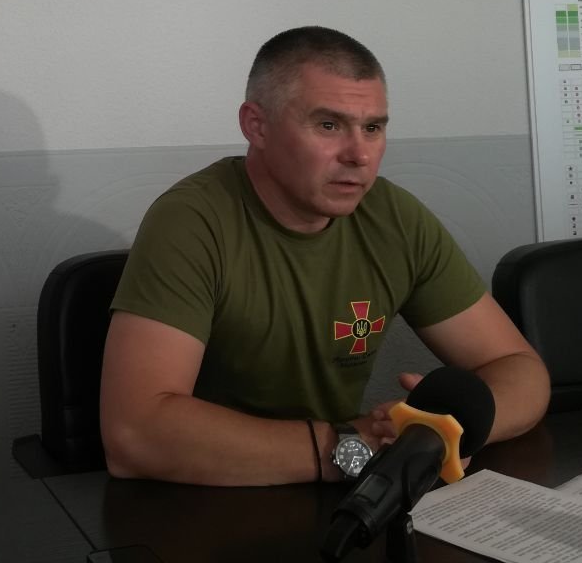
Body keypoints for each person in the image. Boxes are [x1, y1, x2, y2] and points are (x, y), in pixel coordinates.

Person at [99, 26, 549, 486]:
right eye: (329, 125)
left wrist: (446, 433)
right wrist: (348, 446)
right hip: (204, 499)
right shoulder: (191, 221)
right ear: (256, 126)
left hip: (337, 495)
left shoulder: (394, 218)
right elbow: (135, 434)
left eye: (373, 128)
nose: (359, 155)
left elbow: (521, 369)